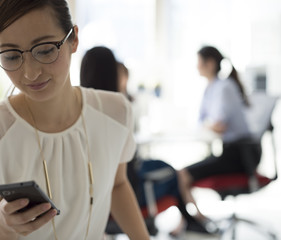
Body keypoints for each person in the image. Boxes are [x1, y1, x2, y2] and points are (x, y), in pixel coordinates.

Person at [0, 1, 150, 240]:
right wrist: (2, 227)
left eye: (45, 50)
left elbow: (117, 185)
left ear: (73, 39)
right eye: (12, 56)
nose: (30, 73)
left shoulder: (115, 112)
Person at [80, 46, 202, 237]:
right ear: (113, 72)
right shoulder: (117, 108)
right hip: (128, 192)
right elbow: (121, 178)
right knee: (174, 173)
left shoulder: (75, 109)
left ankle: (191, 220)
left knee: (167, 168)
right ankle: (191, 221)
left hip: (90, 202)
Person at [177, 46, 257, 230]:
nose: (196, 67)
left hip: (241, 154)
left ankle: (195, 223)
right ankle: (195, 221)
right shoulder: (211, 88)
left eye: (199, 62)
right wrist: (207, 124)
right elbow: (203, 122)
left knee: (182, 174)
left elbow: (218, 125)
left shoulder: (224, 87)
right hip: (229, 151)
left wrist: (208, 124)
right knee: (181, 173)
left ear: (210, 63)